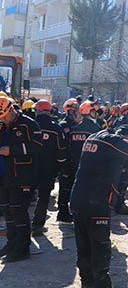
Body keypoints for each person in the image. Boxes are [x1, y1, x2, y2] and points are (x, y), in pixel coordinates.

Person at [70, 124, 128, 288]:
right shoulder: (112, 141)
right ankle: (101, 285)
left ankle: (87, 284)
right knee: (100, 247)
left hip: (78, 199)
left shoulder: (93, 137)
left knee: (84, 247)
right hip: (97, 201)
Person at [0, 96, 43, 262]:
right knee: (7, 210)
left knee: (18, 210)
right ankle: (11, 243)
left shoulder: (29, 124)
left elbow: (37, 146)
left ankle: (23, 248)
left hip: (23, 175)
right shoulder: (3, 125)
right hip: (6, 175)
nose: (3, 120)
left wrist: (11, 150)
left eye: (4, 117)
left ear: (11, 110)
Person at [32, 99, 67, 236]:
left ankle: (21, 225)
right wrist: (62, 165)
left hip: (28, 167)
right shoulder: (55, 128)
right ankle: (37, 226)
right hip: (48, 168)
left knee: (24, 197)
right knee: (43, 197)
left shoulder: (30, 125)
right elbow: (61, 150)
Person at [57, 98, 81, 223]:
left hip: (75, 161)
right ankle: (62, 212)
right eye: (76, 110)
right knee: (65, 188)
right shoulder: (63, 126)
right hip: (66, 162)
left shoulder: (78, 125)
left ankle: (69, 211)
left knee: (73, 188)